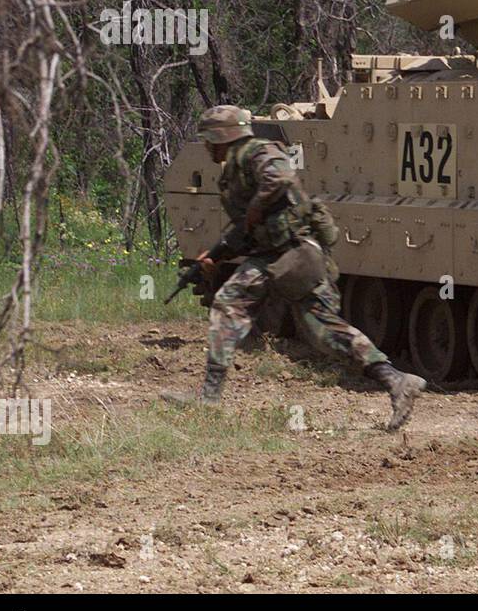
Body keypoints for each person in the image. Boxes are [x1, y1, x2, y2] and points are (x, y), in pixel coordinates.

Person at [161, 105, 425, 431]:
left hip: (294, 255)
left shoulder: (257, 151)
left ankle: (397, 381)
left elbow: (281, 177)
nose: (205, 147)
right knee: (236, 305)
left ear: (221, 137)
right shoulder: (236, 168)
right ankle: (211, 396)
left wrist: (256, 207)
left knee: (324, 333)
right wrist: (215, 254)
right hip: (272, 256)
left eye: (208, 139)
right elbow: (244, 228)